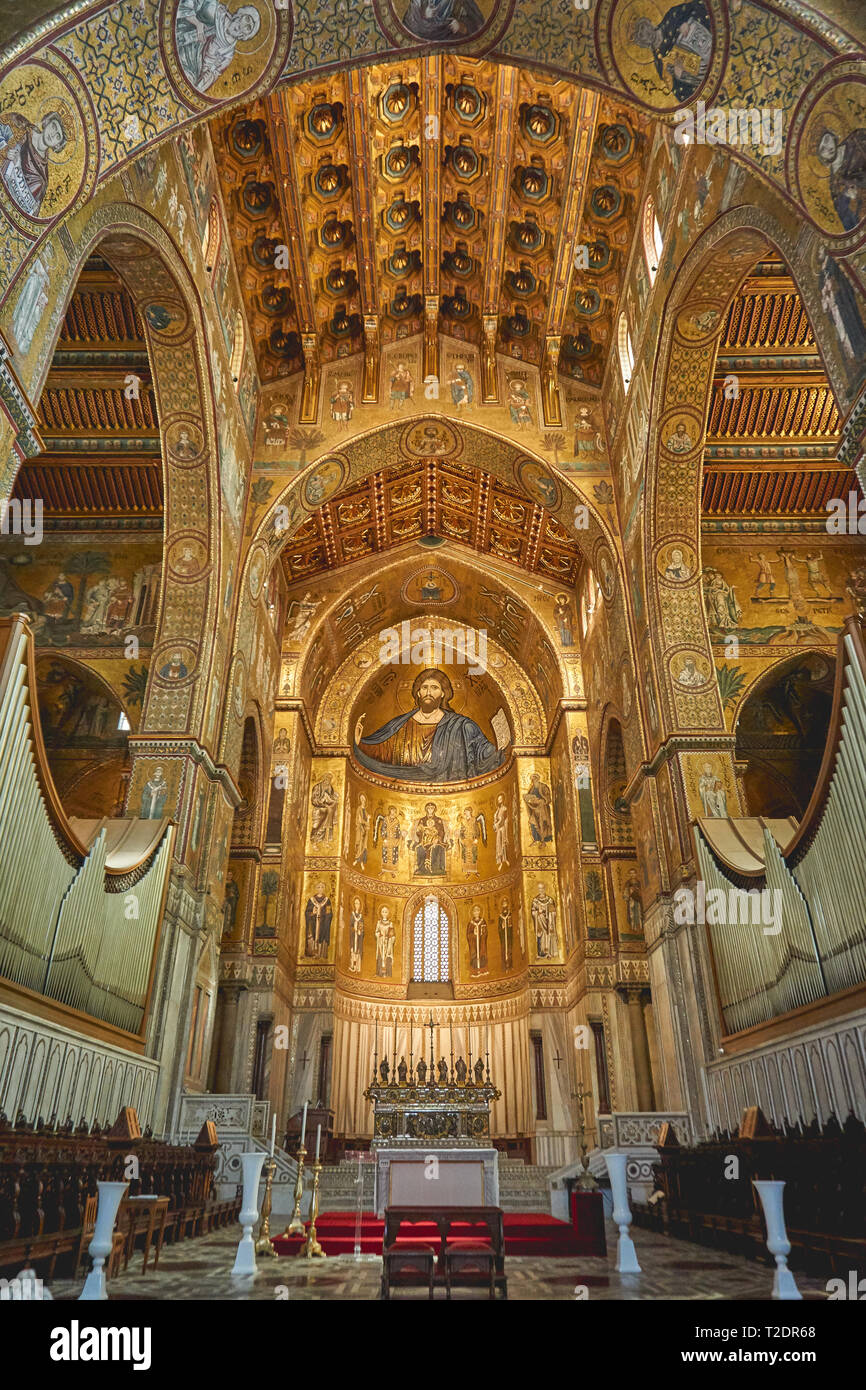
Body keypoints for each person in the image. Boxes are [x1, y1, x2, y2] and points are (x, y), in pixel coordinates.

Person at [354, 668, 504, 782]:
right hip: (404, 789)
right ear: (418, 693)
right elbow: (380, 750)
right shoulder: (400, 724)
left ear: (443, 693)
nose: (428, 692)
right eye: (424, 687)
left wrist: (503, 750)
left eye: (434, 688)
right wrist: (359, 742)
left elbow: (485, 755)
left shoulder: (462, 726)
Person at [175, 0, 261, 93]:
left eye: (245, 29)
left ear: (242, 36)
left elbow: (211, 75)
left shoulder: (227, 54)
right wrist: (197, 24)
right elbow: (189, 4)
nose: (240, 27)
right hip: (181, 36)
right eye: (243, 20)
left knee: (186, 79)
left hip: (193, 65)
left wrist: (197, 87)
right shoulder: (218, 13)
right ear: (237, 16)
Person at [0, 110, 69, 217]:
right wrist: (5, 150)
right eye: (54, 127)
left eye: (58, 136)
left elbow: (28, 213)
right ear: (47, 122)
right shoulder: (21, 125)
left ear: (57, 145)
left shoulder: (42, 179)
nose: (52, 134)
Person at [523, 771, 553, 843]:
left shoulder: (543, 786)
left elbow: (548, 797)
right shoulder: (532, 789)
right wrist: (527, 798)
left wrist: (542, 800)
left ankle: (544, 840)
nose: (533, 781)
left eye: (534, 779)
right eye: (532, 780)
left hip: (543, 809)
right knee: (532, 821)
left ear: (537, 779)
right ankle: (536, 839)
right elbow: (529, 797)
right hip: (535, 808)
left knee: (542, 823)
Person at [467, 904, 488, 976]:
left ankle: (483, 970)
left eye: (477, 911)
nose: (476, 913)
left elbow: (485, 932)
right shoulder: (471, 923)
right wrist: (473, 934)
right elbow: (468, 935)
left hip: (481, 942)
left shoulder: (482, 921)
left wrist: (482, 934)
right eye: (474, 911)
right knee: (474, 955)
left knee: (482, 954)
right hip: (474, 943)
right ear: (472, 912)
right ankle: (475, 971)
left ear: (480, 912)